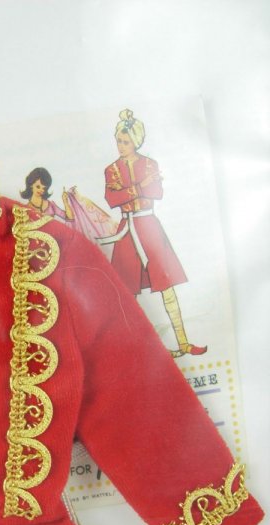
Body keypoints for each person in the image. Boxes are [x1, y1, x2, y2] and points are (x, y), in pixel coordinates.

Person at [99, 109, 206, 357]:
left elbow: (156, 192)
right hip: (127, 231)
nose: (121, 146)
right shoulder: (111, 169)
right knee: (128, 291)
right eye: (118, 141)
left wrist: (132, 191)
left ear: (136, 141)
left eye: (126, 142)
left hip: (149, 228)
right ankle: (135, 350)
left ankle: (183, 343)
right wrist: (140, 187)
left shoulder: (150, 164)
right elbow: (112, 199)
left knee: (166, 284)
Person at [21, 166, 117, 243]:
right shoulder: (25, 209)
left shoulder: (51, 205)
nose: (41, 190)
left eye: (44, 188)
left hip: (53, 243)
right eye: (38, 186)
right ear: (31, 185)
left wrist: (65, 202)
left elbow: (69, 218)